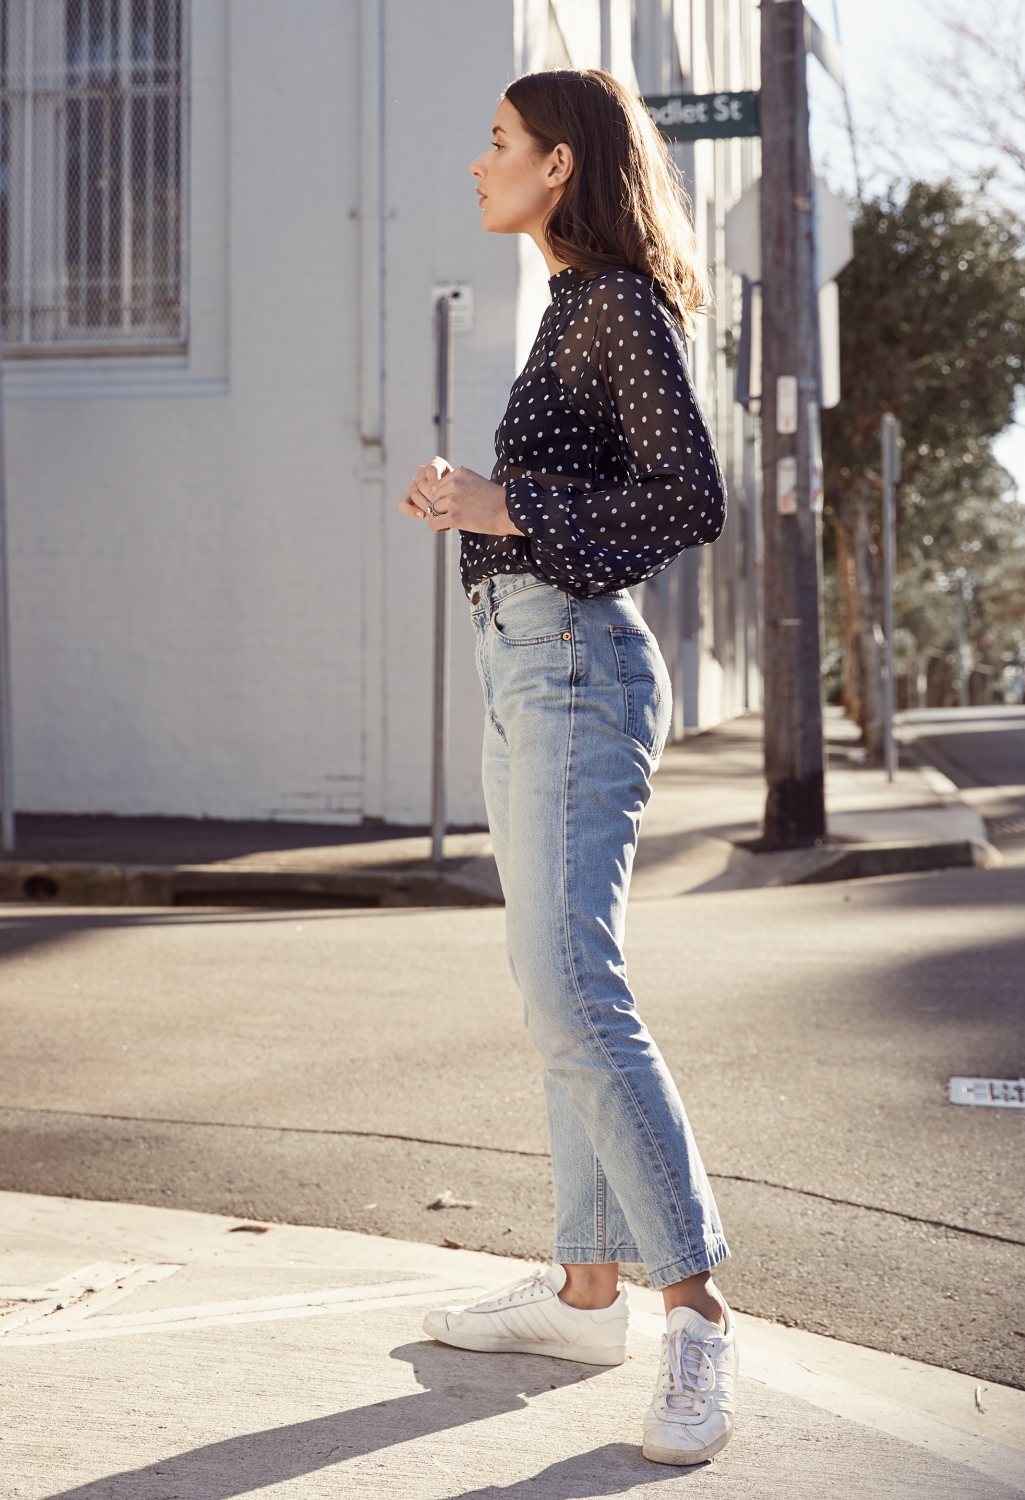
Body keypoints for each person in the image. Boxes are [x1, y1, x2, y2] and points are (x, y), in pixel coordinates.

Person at [399, 69, 734, 1467]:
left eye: (497, 145)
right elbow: (576, 507)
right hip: (525, 665)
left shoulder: (614, 308)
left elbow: (688, 497)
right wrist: (480, 519)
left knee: (575, 985)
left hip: (578, 670)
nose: (478, 164)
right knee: (550, 986)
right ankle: (586, 1293)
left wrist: (500, 504)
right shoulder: (569, 315)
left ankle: (697, 1312)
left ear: (558, 167)